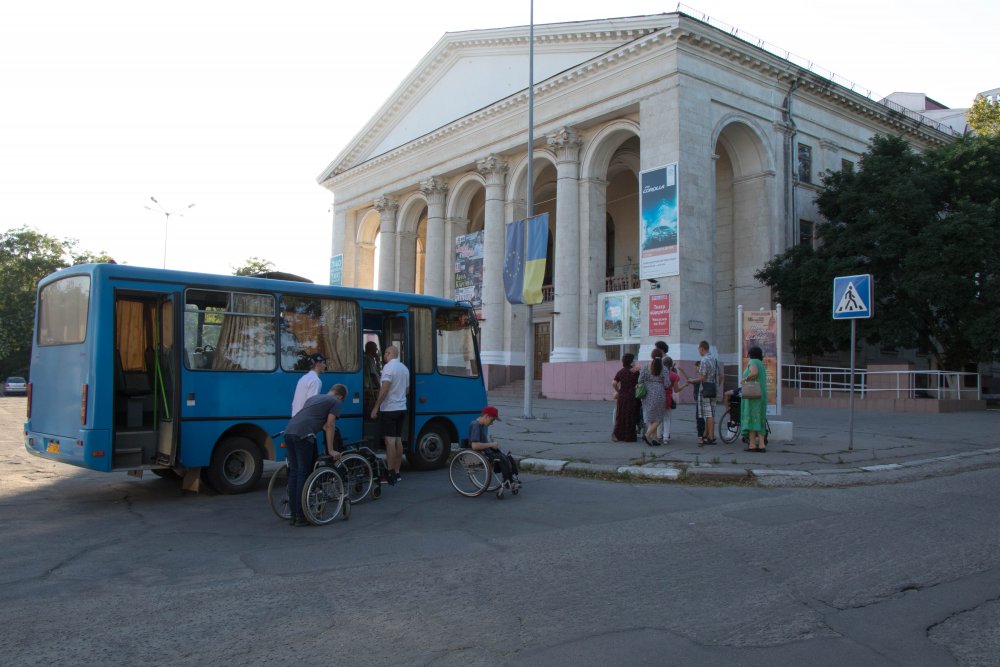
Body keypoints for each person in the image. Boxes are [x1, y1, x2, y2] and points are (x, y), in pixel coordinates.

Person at [283, 384, 347, 527]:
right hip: (304, 435)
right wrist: (331, 450)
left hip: (289, 431)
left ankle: (294, 514)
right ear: (341, 396)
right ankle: (301, 515)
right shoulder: (336, 402)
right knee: (303, 473)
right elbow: (330, 425)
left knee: (294, 472)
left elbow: (318, 421)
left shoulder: (315, 398)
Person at [370, 344, 409, 484]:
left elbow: (384, 390)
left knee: (390, 442)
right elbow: (407, 390)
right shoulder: (404, 369)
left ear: (388, 353)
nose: (384, 356)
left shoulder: (388, 368)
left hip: (389, 409)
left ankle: (390, 473)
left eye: (385, 354)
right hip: (401, 408)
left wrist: (375, 407)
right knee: (398, 440)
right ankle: (397, 472)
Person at [468, 406, 520, 489]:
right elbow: (474, 445)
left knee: (507, 455)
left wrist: (491, 444)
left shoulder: (479, 425)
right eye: (492, 420)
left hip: (485, 452)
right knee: (501, 457)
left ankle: (513, 477)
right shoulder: (475, 425)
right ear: (486, 416)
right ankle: (508, 481)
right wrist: (490, 445)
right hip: (481, 454)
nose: (492, 423)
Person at [741, 346, 769, 452]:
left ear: (751, 354)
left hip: (753, 396)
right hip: (761, 395)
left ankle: (752, 445)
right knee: (760, 419)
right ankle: (761, 445)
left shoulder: (752, 361)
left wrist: (745, 379)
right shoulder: (761, 363)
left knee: (752, 418)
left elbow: (754, 373)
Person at [638, 348, 668, 446]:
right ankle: (647, 435)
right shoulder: (664, 368)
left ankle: (654, 439)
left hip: (647, 393)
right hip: (659, 392)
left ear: (652, 356)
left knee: (650, 415)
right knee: (659, 416)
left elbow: (640, 380)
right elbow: (667, 384)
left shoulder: (645, 366)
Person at [692, 340, 719, 445]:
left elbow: (702, 377)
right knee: (711, 413)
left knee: (709, 414)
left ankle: (711, 437)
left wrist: (692, 380)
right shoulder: (714, 359)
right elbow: (718, 375)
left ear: (702, 348)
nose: (698, 351)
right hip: (713, 387)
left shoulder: (704, 360)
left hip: (705, 388)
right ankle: (706, 435)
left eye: (699, 349)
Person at [611, 353, 639, 442]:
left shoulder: (621, 371)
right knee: (630, 416)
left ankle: (618, 435)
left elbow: (614, 383)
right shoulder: (635, 372)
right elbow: (639, 384)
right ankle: (629, 437)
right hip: (632, 396)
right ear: (631, 362)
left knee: (621, 415)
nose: (634, 362)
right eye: (633, 360)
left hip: (622, 396)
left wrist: (618, 391)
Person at [661, 355, 682, 444]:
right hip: (668, 398)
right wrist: (684, 386)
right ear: (671, 365)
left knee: (658, 418)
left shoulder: (659, 374)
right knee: (667, 419)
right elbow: (677, 390)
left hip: (658, 397)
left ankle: (658, 436)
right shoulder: (674, 376)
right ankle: (665, 437)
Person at [363, 341, 381, 415]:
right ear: (371, 349)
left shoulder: (368, 358)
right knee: (368, 403)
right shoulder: (368, 358)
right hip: (368, 386)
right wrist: (379, 387)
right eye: (375, 349)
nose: (376, 350)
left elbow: (377, 371)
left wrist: (377, 360)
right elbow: (373, 374)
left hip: (368, 385)